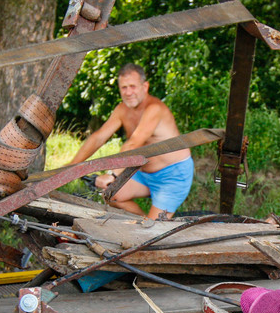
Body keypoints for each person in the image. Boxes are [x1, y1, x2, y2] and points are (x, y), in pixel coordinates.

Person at [68, 63, 194, 219]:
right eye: (124, 88)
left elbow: (134, 144)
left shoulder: (154, 108)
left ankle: (151, 223)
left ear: (145, 86)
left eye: (133, 87)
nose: (128, 92)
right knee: (110, 194)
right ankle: (144, 220)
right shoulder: (122, 109)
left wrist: (112, 175)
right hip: (142, 173)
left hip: (172, 175)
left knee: (153, 231)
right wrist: (71, 167)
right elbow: (99, 137)